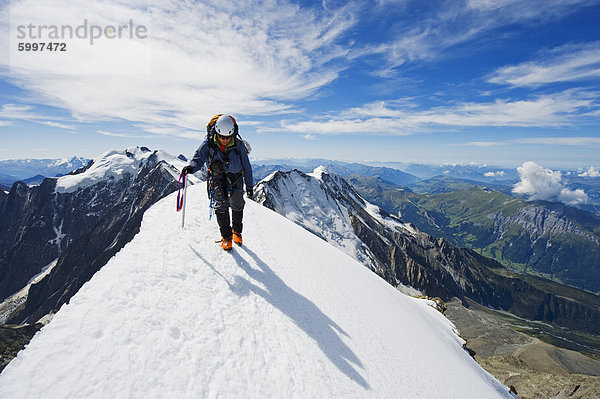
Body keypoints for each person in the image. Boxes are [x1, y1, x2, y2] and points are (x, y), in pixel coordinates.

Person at [181, 114, 253, 250]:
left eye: (228, 137)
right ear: (217, 133)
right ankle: (227, 237)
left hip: (236, 177)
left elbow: (247, 166)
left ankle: (237, 232)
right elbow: (198, 158)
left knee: (237, 204)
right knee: (221, 205)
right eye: (222, 137)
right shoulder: (208, 143)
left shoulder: (238, 145)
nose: (225, 140)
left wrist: (249, 186)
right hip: (217, 177)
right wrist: (191, 167)